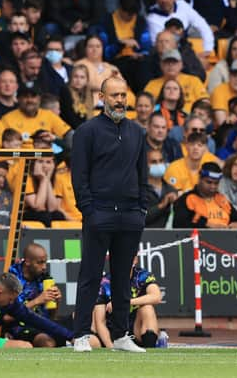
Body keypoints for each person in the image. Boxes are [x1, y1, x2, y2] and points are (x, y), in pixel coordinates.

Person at [71, 77, 147, 353]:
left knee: (122, 279)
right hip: (99, 213)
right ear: (102, 96)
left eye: (123, 95)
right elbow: (78, 176)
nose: (119, 100)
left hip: (130, 215)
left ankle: (120, 336)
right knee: (90, 275)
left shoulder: (137, 132)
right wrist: (89, 210)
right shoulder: (86, 131)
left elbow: (143, 175)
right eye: (114, 95)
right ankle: (80, 335)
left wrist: (142, 209)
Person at [6, 243, 70, 347]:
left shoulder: (44, 278)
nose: (44, 267)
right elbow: (7, 317)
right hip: (20, 327)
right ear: (27, 262)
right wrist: (37, 301)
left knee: (87, 339)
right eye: (40, 263)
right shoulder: (11, 279)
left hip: (43, 325)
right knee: (47, 342)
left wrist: (56, 301)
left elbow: (52, 317)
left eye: (45, 262)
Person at [93, 256, 162, 349]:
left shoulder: (143, 276)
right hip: (113, 330)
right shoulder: (104, 282)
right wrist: (111, 347)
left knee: (147, 308)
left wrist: (123, 303)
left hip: (135, 328)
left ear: (135, 260)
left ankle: (150, 350)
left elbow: (156, 296)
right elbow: (100, 322)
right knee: (94, 319)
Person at [173, 162, 237, 229]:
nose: (213, 187)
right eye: (209, 182)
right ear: (199, 179)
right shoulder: (186, 199)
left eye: (216, 183)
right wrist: (206, 225)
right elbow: (179, 225)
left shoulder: (222, 200)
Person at [145, 149, 177, 227]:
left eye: (161, 161)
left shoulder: (171, 189)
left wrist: (178, 204)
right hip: (144, 236)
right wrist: (161, 205)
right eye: (153, 162)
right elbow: (137, 218)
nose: (158, 164)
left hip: (167, 236)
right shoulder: (138, 189)